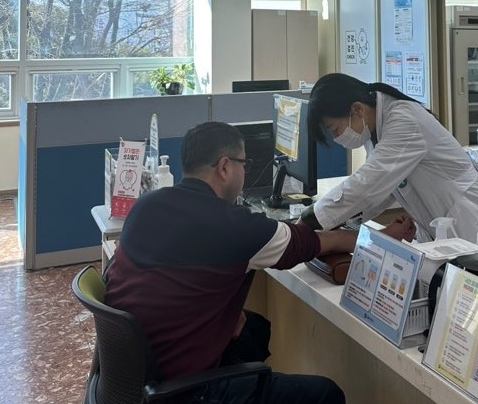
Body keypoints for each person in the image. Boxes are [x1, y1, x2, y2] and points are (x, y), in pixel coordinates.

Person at [105, 121, 387, 404]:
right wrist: (374, 239)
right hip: (180, 392)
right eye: (244, 164)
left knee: (252, 330)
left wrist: (223, 315)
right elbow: (308, 242)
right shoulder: (232, 226)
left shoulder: (145, 207)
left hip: (132, 378)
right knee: (326, 394)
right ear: (225, 167)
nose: (245, 172)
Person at [298, 73, 478, 257]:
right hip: (440, 229)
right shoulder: (377, 128)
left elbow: (368, 183)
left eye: (335, 129)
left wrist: (310, 220)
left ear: (357, 109)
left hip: (473, 226)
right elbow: (381, 188)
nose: (338, 138)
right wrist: (340, 220)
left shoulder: (404, 120)